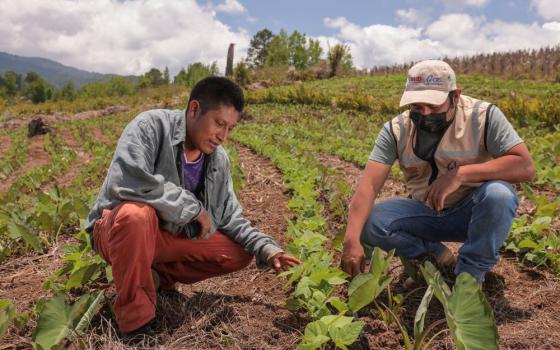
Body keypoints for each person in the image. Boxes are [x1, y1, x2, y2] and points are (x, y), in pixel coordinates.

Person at [85, 76, 299, 335]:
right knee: (136, 215)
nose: (223, 136)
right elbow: (129, 182)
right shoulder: (151, 126)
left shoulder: (218, 160)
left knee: (239, 252)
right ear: (195, 109)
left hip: (164, 239)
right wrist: (193, 208)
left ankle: (159, 278)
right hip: (118, 232)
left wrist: (268, 249)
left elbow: (231, 217)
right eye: (219, 123)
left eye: (230, 128)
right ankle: (136, 322)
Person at [341, 60, 535, 285]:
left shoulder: (483, 116)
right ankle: (436, 257)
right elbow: (369, 186)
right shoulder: (396, 129)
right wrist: (351, 241)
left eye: (433, 107)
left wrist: (460, 174)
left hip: (473, 213)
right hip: (424, 213)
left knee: (499, 195)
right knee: (370, 222)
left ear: (455, 96)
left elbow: (525, 166)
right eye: (416, 107)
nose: (425, 114)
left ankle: (469, 277)